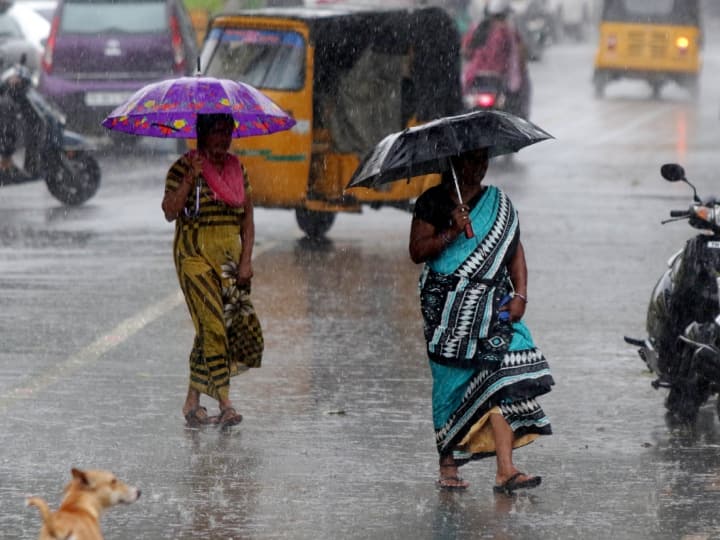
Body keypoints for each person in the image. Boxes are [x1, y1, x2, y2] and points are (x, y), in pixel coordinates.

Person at [409, 147, 554, 493]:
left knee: (502, 376)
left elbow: (514, 251)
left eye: (484, 159)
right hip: (446, 309)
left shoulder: (499, 203)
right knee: (451, 383)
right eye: (471, 160)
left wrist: (521, 294)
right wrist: (452, 231)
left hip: (494, 305)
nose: (480, 167)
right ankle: (448, 463)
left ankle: (506, 469)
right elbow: (417, 251)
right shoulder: (433, 201)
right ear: (454, 163)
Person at [161, 112, 263, 429]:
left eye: (227, 132)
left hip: (230, 261)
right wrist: (191, 178)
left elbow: (247, 220)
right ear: (202, 134)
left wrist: (246, 261)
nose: (223, 138)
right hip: (193, 256)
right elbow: (169, 211)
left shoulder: (237, 169)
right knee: (213, 327)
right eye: (216, 132)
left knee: (224, 328)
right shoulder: (182, 166)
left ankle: (192, 400)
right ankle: (225, 403)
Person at [461, 0, 531, 119]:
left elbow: (465, 52)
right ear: (505, 14)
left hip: (474, 78)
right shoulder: (509, 32)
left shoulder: (476, 28)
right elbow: (519, 57)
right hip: (499, 79)